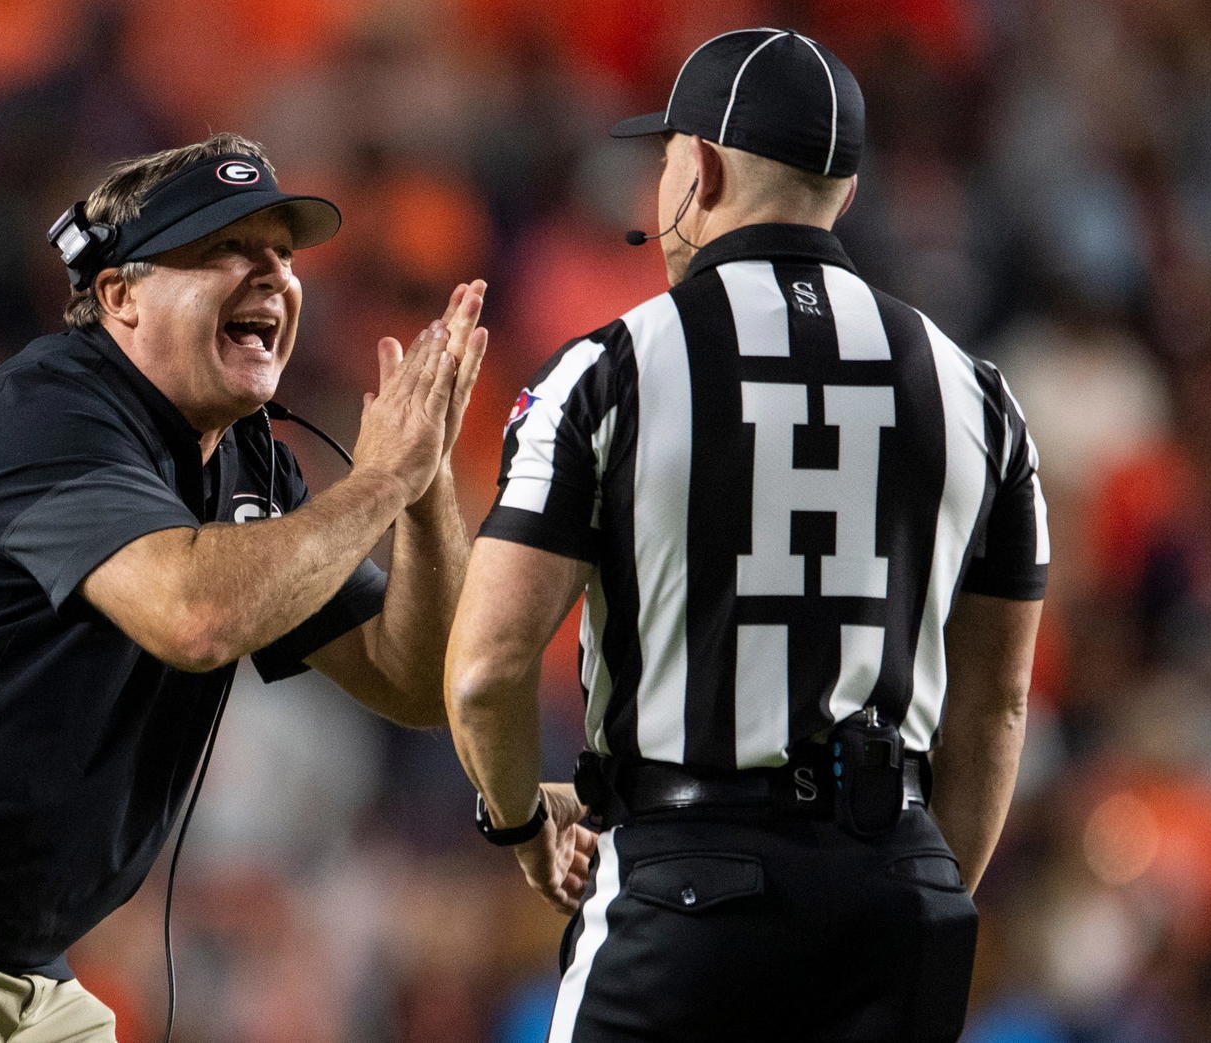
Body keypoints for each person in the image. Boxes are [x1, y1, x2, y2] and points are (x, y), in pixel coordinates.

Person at [0, 132, 488, 1042]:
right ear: (119, 294)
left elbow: (415, 680)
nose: (272, 274)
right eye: (226, 248)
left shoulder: (252, 466)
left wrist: (426, 483)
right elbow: (194, 615)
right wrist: (379, 481)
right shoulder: (47, 414)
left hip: (21, 966)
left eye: (281, 254)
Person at [445, 29, 1046, 1042]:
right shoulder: (979, 394)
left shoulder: (611, 370)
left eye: (665, 157)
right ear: (842, 194)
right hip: (897, 890)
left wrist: (517, 820)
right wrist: (912, 886)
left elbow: (484, 668)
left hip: (683, 887)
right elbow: (998, 704)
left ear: (702, 168)